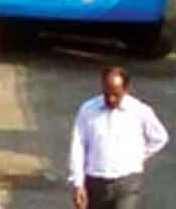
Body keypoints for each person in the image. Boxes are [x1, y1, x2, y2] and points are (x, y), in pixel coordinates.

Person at [68, 67, 169, 209]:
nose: (111, 99)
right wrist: (78, 183)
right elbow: (78, 146)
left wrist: (138, 156)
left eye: (116, 94)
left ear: (125, 89)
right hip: (96, 183)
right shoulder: (88, 110)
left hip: (127, 184)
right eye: (107, 93)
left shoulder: (139, 111)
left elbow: (159, 137)